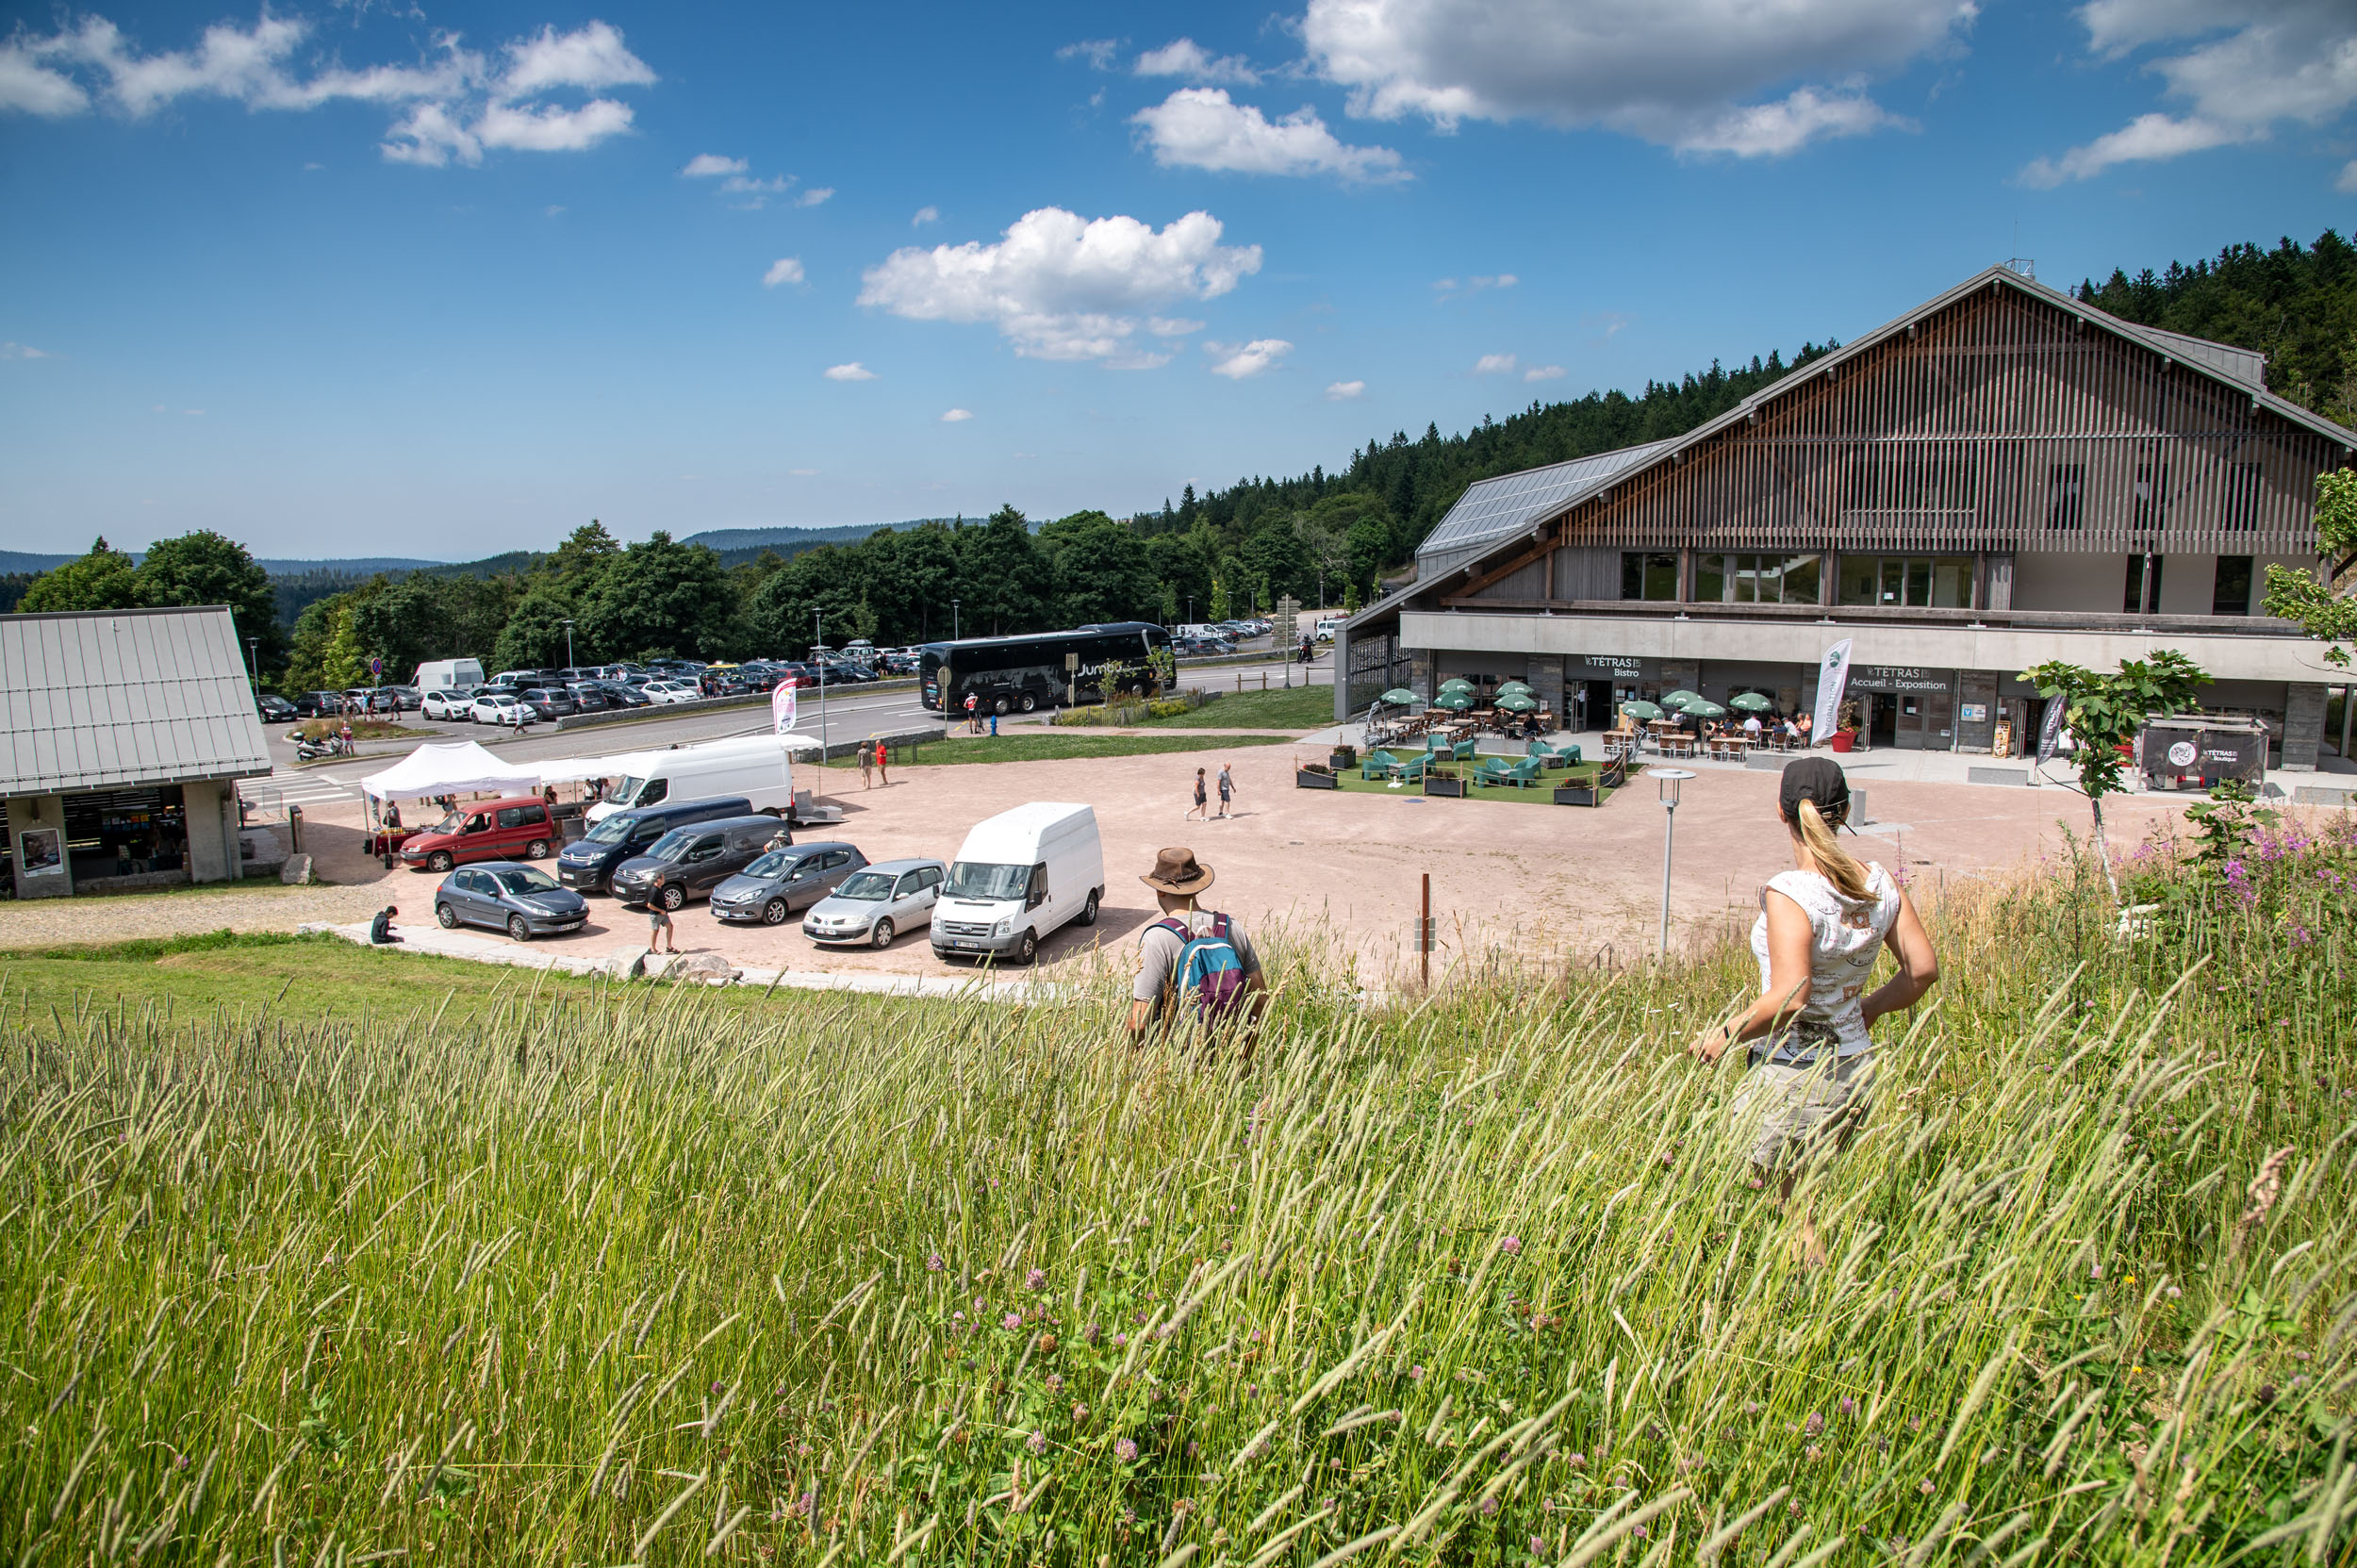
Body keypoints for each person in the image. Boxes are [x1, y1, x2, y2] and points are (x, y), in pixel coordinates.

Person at [1689, 758, 1938, 1264]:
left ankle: (1801, 1303)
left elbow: (1790, 997)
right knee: (1801, 1203)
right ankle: (1811, 1299)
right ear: (1845, 810)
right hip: (1853, 1070)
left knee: (1786, 1210)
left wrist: (1723, 1034)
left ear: (1783, 814)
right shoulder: (1879, 885)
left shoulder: (1791, 892)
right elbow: (1922, 971)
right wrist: (1864, 1011)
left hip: (1792, 1076)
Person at [1126, 848, 1267, 1046]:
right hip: (1230, 1053)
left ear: (1159, 889)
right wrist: (1244, 1057)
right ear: (1198, 887)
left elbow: (1140, 1022)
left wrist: (1134, 1061)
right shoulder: (1231, 927)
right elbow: (1260, 999)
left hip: (1177, 1060)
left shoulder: (1157, 937)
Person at [646, 871, 676, 953]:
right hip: (655, 915)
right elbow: (649, 905)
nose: (664, 880)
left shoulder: (661, 888)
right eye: (663, 878)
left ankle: (669, 947)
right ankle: (653, 949)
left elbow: (660, 900)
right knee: (655, 930)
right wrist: (660, 910)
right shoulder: (654, 890)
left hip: (663, 914)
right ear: (658, 880)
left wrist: (666, 903)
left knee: (670, 927)